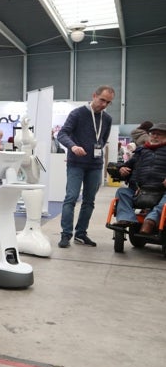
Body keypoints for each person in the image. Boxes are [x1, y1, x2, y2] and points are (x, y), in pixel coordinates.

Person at [56, 85, 116, 248]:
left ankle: (81, 234)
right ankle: (66, 234)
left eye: (108, 102)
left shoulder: (107, 119)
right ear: (94, 95)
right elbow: (62, 134)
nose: (104, 104)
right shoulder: (77, 113)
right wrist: (73, 147)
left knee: (89, 201)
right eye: (102, 100)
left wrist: (96, 149)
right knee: (71, 198)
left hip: (95, 165)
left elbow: (103, 139)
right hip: (76, 164)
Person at [112, 123, 166, 235]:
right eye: (153, 134)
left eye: (159, 134)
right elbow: (125, 165)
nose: (155, 136)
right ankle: (127, 219)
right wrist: (121, 168)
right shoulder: (141, 151)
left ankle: (150, 220)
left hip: (161, 191)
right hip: (140, 190)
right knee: (122, 192)